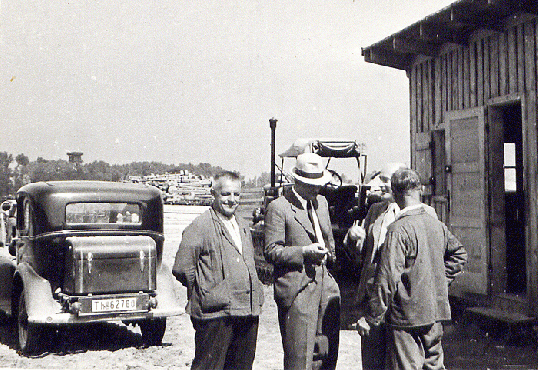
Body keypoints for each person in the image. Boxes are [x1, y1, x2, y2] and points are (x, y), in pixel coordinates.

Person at [356, 168, 467, 370]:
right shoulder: (436, 224)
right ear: (420, 190)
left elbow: (387, 278)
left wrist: (371, 318)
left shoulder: (398, 229)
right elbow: (460, 255)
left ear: (395, 192)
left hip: (406, 320)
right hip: (434, 315)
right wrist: (435, 282)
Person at [172, 171, 264, 370]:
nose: (232, 200)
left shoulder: (243, 225)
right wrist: (208, 290)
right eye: (225, 194)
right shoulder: (200, 226)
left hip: (247, 310)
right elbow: (182, 268)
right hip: (215, 315)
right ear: (214, 194)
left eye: (236, 195)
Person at [264, 152, 340, 370]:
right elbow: (271, 251)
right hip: (298, 289)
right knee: (300, 357)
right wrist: (304, 252)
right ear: (296, 180)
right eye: (310, 184)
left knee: (327, 354)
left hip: (327, 287)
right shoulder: (279, 208)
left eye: (319, 183)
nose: (316, 188)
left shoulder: (322, 203)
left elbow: (329, 239)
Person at [345, 162, 407, 369]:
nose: (377, 185)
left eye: (384, 180)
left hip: (399, 298)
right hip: (372, 295)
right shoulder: (375, 210)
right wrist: (354, 238)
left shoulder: (410, 214)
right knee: (372, 359)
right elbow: (361, 255)